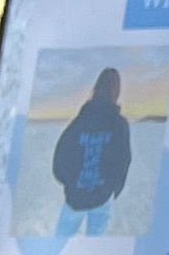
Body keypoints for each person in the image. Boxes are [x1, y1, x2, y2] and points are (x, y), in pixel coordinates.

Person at [51, 64, 131, 232]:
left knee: (60, 241)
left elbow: (61, 154)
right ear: (116, 91)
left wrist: (69, 182)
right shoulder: (118, 125)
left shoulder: (80, 122)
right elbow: (123, 161)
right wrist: (113, 188)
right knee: (94, 245)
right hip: (99, 198)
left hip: (77, 198)